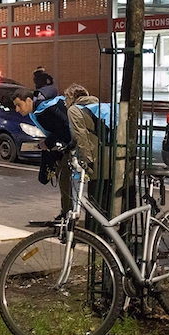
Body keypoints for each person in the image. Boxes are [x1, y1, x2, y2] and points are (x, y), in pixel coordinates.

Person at [11, 87, 72, 221]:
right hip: (67, 145)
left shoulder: (44, 110)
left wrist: (47, 143)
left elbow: (64, 129)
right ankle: (67, 212)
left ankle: (67, 214)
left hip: (73, 146)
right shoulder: (40, 107)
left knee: (64, 177)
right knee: (64, 178)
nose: (17, 110)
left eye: (18, 105)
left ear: (28, 100)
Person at [64, 83, 111, 230]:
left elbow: (81, 136)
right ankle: (107, 231)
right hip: (112, 156)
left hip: (96, 157)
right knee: (106, 198)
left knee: (94, 198)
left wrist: (87, 162)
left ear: (72, 97)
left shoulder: (74, 110)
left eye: (66, 98)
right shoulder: (100, 106)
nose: (65, 103)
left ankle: (95, 235)